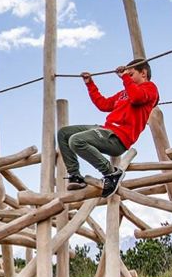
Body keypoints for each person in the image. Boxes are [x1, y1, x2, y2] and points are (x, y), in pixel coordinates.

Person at [57, 59, 159, 198]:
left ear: (143, 73)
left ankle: (111, 173)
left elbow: (136, 98)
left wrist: (124, 78)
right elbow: (103, 104)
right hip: (106, 129)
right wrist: (90, 84)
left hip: (118, 138)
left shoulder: (150, 88)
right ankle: (75, 176)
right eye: (127, 75)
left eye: (131, 74)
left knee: (76, 141)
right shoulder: (124, 93)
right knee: (64, 133)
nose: (128, 77)